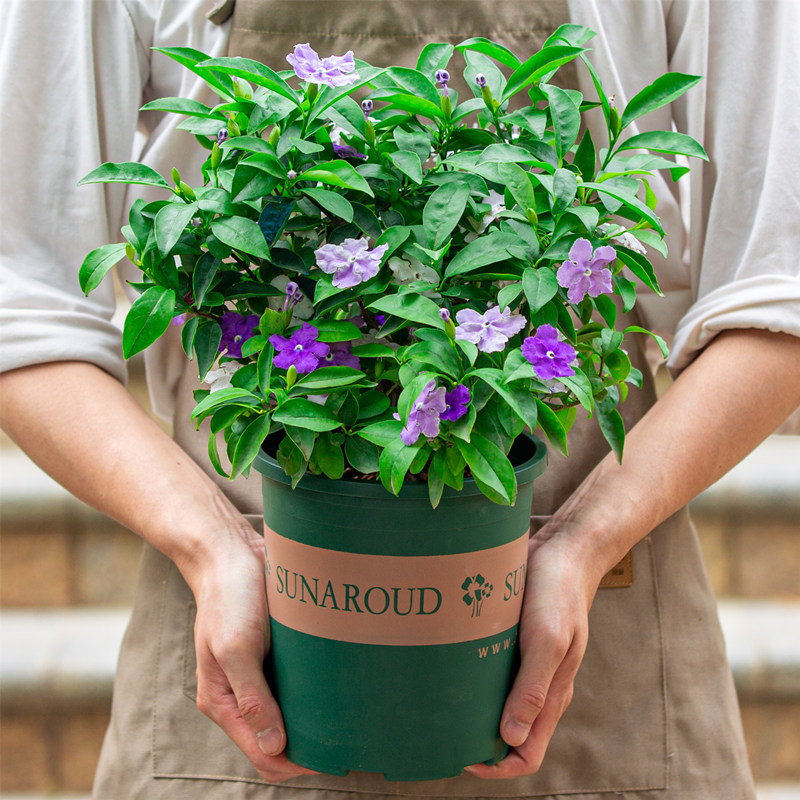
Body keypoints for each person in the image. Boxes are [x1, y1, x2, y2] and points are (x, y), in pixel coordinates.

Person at [2, 0, 799, 798]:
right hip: (251, 635)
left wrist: (584, 544)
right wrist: (209, 547)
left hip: (603, 642)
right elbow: (21, 307)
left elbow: (780, 297)